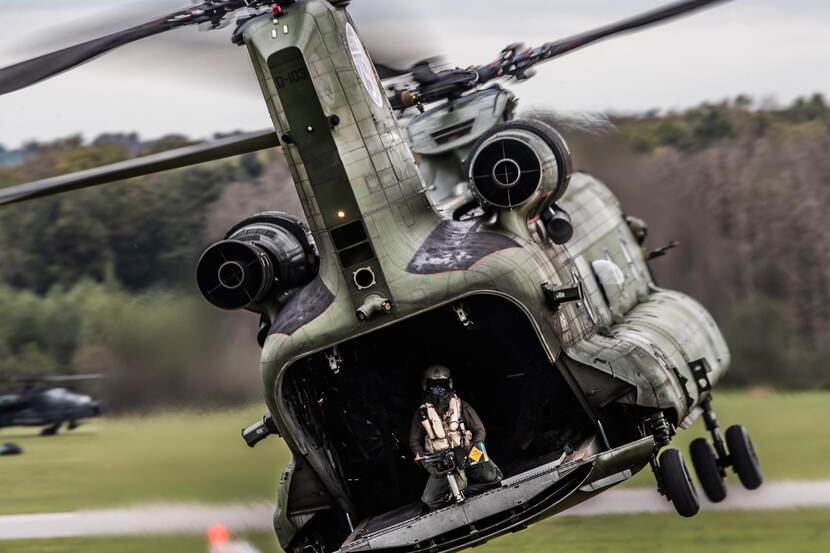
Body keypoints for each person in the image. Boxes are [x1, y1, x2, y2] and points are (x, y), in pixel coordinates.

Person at [409, 364, 501, 511]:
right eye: (433, 385)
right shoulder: (421, 414)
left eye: (442, 384)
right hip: (441, 460)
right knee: (430, 500)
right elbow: (415, 443)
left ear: (449, 384)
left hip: (467, 451)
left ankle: (466, 492)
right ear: (426, 385)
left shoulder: (461, 406)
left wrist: (475, 450)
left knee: (492, 477)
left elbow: (479, 430)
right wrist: (428, 466)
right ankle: (452, 500)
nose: (438, 389)